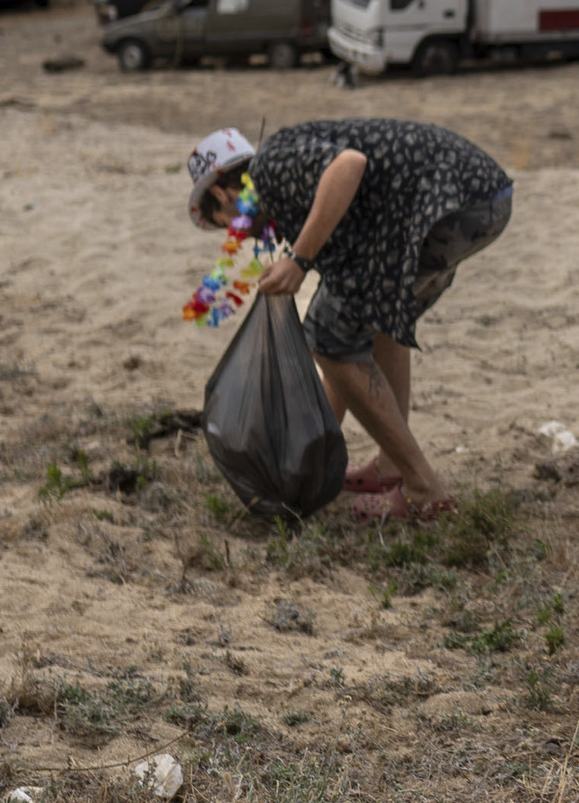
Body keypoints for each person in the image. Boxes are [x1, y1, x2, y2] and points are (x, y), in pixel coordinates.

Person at [185, 120, 515, 520]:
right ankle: (392, 466)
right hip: (476, 196)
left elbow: (349, 164)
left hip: (452, 203)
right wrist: (308, 447)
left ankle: (423, 489)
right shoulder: (287, 185)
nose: (242, 235)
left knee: (329, 337)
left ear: (222, 192)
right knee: (363, 322)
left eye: (226, 222)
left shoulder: (269, 169)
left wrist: (300, 260)